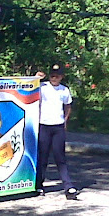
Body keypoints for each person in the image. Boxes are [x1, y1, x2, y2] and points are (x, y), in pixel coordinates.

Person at [36, 63, 80, 200]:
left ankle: (68, 187)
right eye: (52, 76)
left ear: (61, 77)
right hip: (44, 125)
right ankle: (38, 185)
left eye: (57, 76)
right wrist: (35, 78)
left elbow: (68, 106)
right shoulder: (42, 87)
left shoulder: (64, 90)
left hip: (58, 127)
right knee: (42, 157)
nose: (54, 78)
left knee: (60, 157)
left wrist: (65, 120)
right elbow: (28, 89)